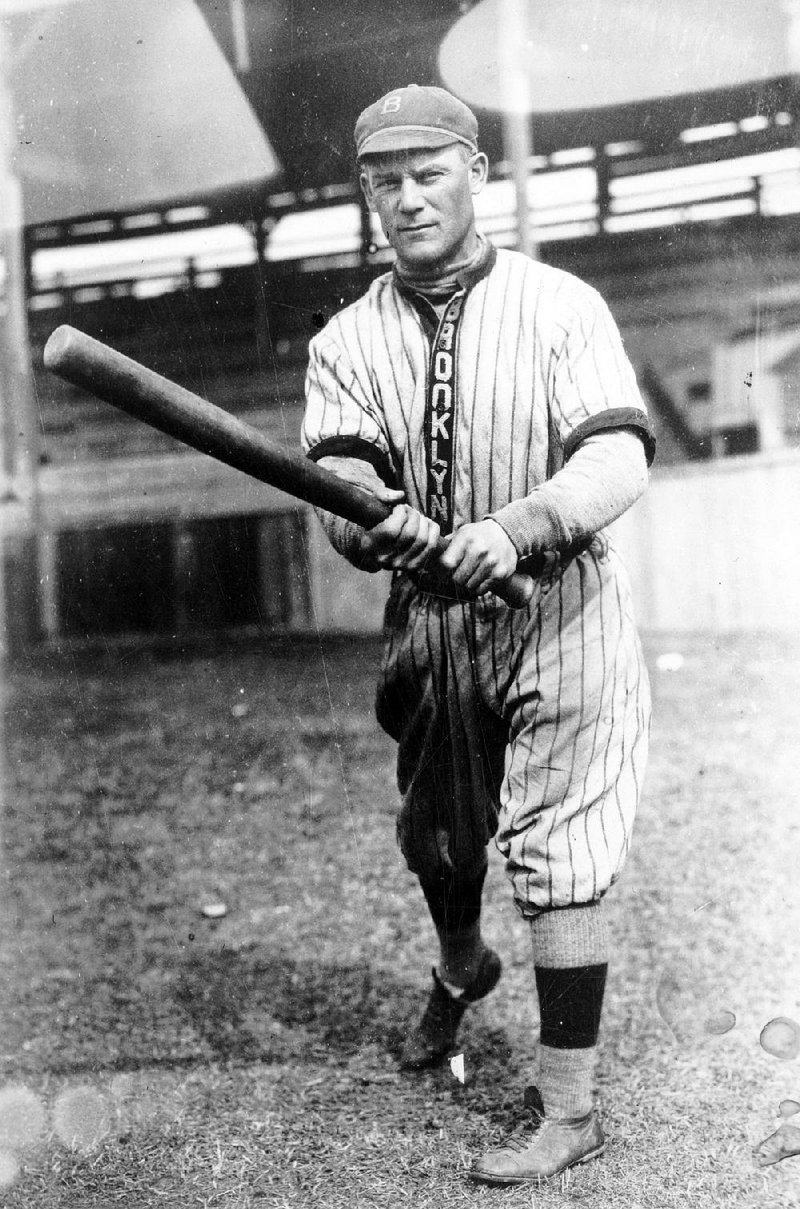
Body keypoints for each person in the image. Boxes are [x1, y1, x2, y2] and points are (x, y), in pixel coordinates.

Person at [301, 83, 654, 1186]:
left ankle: (569, 1108)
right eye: (383, 183)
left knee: (560, 848)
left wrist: (516, 526)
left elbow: (616, 457)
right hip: (434, 624)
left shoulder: (559, 306)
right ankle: (461, 965)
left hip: (558, 604)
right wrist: (368, 516)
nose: (406, 201)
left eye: (427, 175)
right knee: (441, 838)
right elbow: (336, 474)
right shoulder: (345, 339)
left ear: (475, 175)